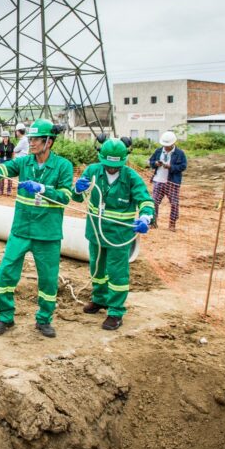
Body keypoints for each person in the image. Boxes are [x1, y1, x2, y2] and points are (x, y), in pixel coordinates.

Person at [0, 119, 73, 338]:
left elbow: (65, 197)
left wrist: (42, 188)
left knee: (48, 280)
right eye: (30, 139)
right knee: (5, 274)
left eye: (36, 140)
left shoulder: (63, 166)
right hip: (21, 229)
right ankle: (5, 316)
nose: (31, 143)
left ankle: (43, 320)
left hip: (47, 234)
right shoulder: (23, 163)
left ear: (49, 141)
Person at [71, 138, 155, 330]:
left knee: (117, 274)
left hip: (119, 235)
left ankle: (116, 311)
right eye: (108, 165)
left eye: (115, 165)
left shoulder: (131, 177)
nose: (111, 169)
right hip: (96, 231)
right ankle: (99, 299)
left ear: (123, 161)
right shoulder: (92, 171)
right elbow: (77, 197)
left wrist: (145, 218)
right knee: (97, 269)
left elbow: (146, 201)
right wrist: (77, 189)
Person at [148, 130, 187, 231]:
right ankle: (153, 222)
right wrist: (155, 163)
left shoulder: (180, 153)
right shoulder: (158, 151)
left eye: (168, 145)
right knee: (154, 202)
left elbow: (183, 166)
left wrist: (171, 167)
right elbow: (151, 161)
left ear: (173, 143)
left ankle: (172, 224)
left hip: (172, 182)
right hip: (158, 180)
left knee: (174, 203)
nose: (165, 147)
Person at [0, 130, 15, 196]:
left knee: (9, 175)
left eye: (6, 137)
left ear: (8, 137)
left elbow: (13, 153)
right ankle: (1, 190)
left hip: (9, 160)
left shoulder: (11, 145)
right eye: (4, 137)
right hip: (1, 160)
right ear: (2, 137)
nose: (5, 138)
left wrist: (13, 160)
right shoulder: (0, 144)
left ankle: (9, 191)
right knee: (2, 175)